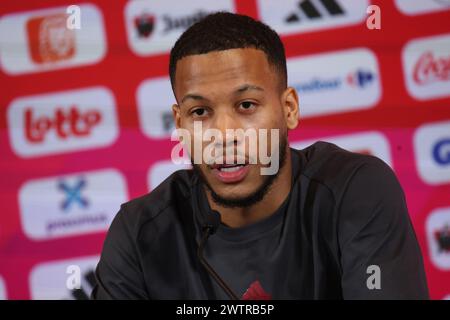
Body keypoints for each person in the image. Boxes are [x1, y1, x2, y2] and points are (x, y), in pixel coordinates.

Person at [92, 12, 429, 299]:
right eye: (200, 112)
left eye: (246, 105)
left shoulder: (355, 190)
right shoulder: (139, 233)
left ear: (289, 109)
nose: (223, 135)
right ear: (180, 125)